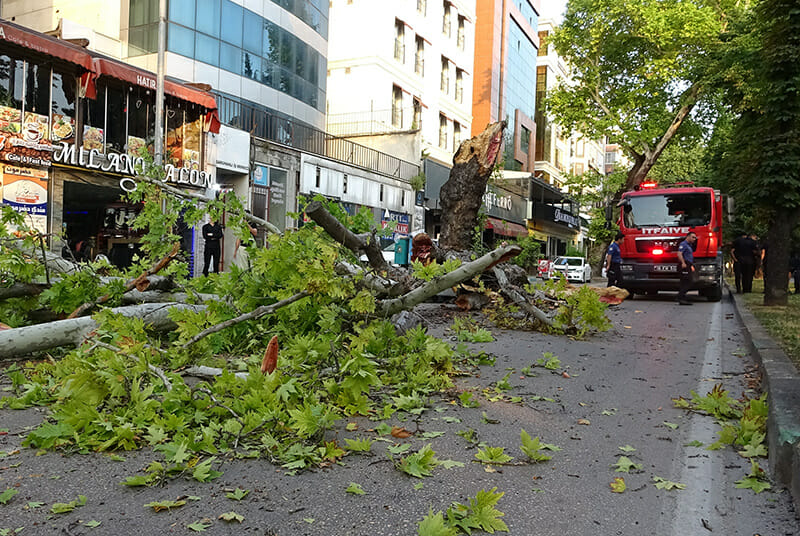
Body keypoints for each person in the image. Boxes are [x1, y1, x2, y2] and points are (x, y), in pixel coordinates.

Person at [676, 231, 698, 305]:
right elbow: (679, 253)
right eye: (693, 237)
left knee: (685, 282)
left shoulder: (689, 245)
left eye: (695, 237)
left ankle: (682, 298)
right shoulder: (683, 244)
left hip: (688, 264)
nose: (694, 239)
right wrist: (683, 262)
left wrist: (691, 265)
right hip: (684, 265)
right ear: (688, 237)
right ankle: (680, 296)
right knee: (688, 281)